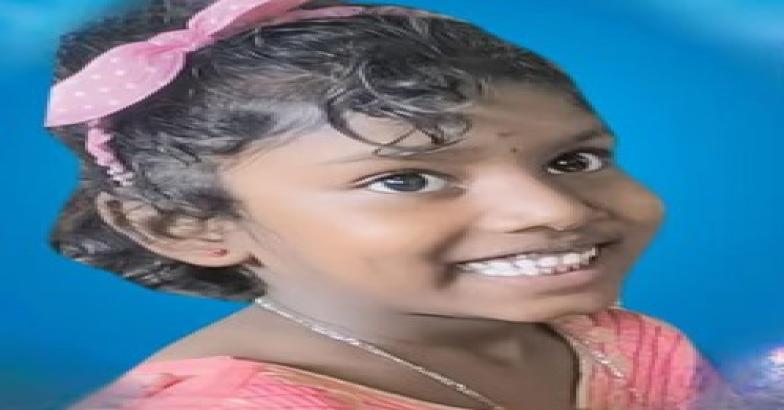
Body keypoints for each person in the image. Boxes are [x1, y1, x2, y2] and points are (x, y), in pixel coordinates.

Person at [44, 0, 744, 409]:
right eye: (406, 180)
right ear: (186, 227)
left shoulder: (629, 343)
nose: (553, 210)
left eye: (574, 161)